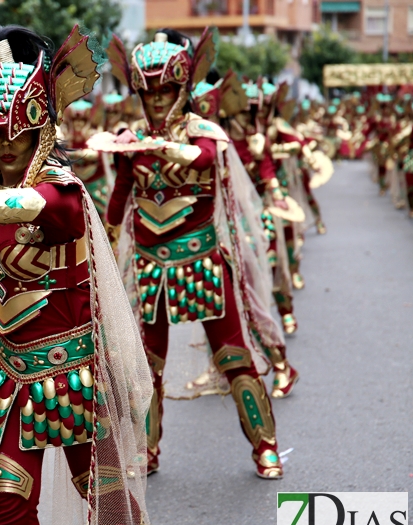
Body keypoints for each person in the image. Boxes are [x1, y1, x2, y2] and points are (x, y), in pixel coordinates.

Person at [0, 25, 153, 525]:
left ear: (40, 125)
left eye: (15, 132)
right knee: (10, 508)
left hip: (72, 376)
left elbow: (34, 206)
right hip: (6, 376)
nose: (4, 145)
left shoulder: (63, 192)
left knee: (106, 499)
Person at [92, 28, 285, 478]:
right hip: (148, 266)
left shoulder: (204, 133)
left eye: (167, 90)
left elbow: (200, 160)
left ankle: (266, 446)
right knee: (146, 364)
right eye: (150, 92)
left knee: (233, 356)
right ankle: (146, 451)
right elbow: (120, 196)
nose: (157, 100)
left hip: (202, 261)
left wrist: (162, 147)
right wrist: (102, 241)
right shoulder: (129, 139)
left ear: (184, 88)